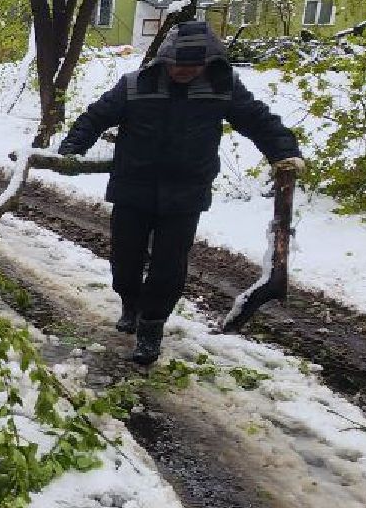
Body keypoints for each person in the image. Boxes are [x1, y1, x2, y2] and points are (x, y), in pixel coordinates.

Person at [57, 21, 305, 366]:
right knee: (125, 260)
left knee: (168, 266)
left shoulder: (223, 88)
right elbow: (95, 117)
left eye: (192, 66)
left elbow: (259, 121)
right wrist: (72, 149)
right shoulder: (136, 85)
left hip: (186, 193)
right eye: (177, 65)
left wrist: (284, 152)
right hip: (133, 187)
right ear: (164, 60)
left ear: (209, 64)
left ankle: (151, 327)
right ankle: (131, 303)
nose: (184, 72)